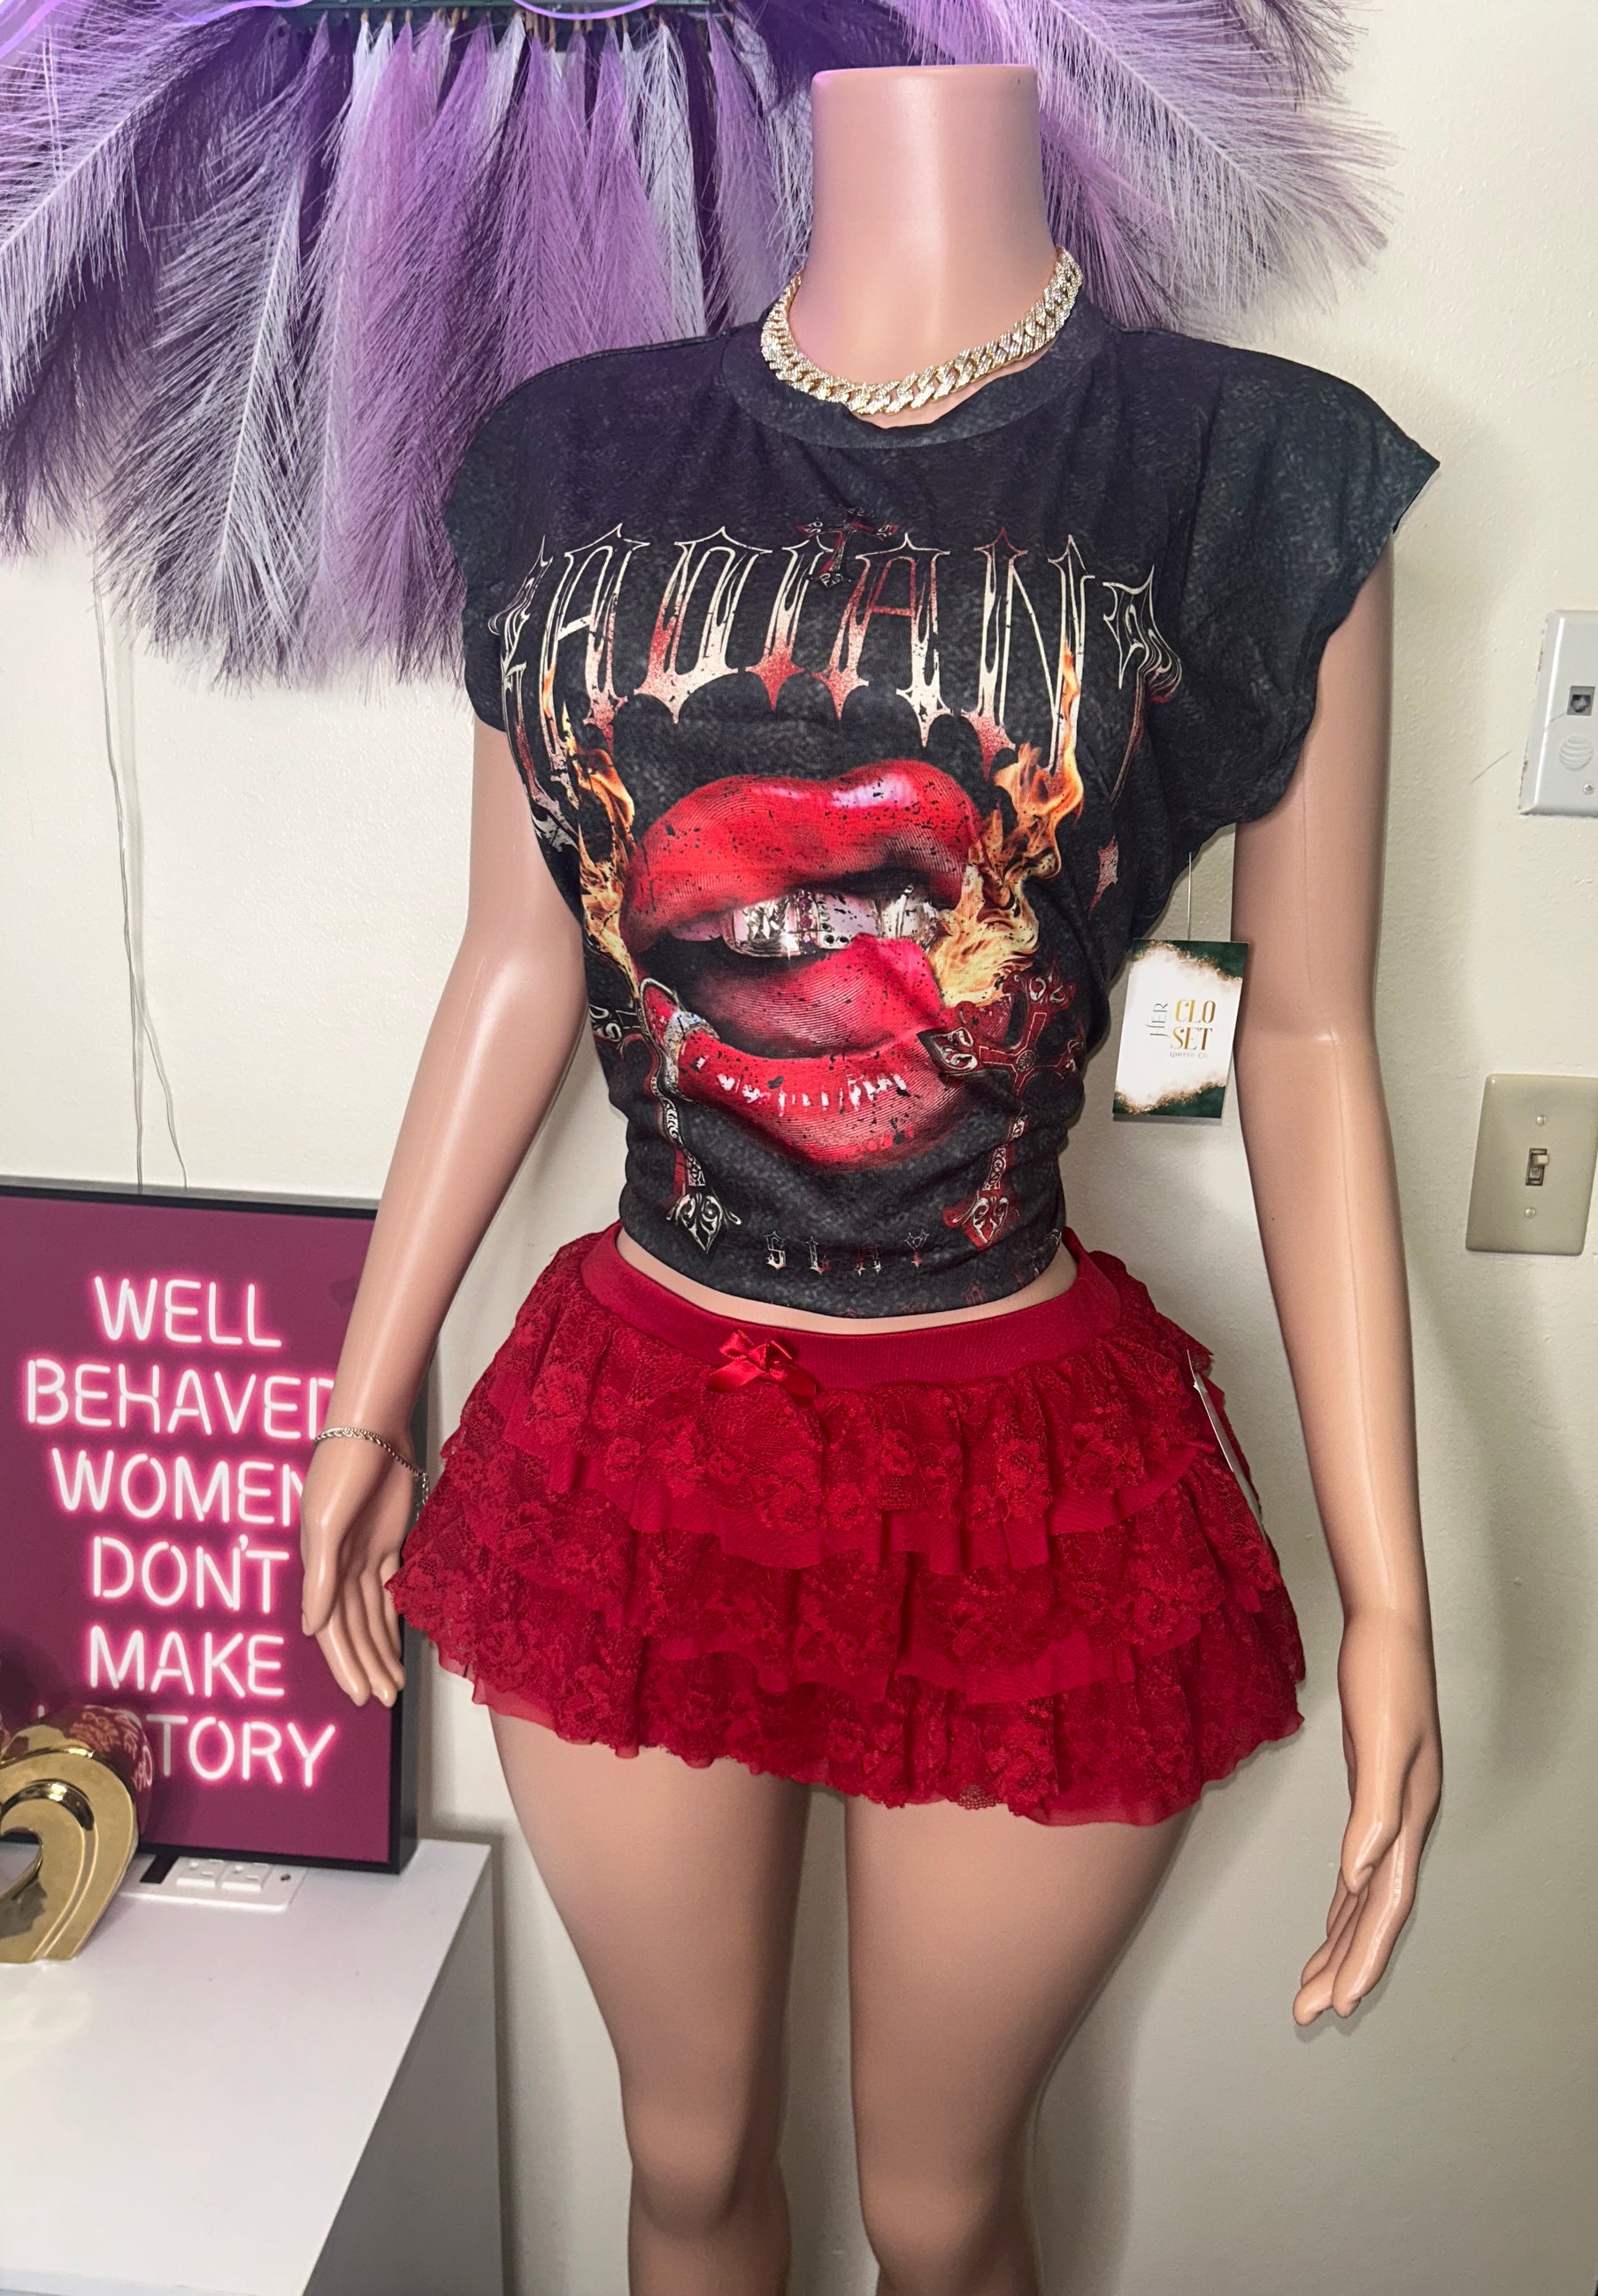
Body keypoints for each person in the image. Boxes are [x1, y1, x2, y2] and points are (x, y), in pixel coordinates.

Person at [300, 63, 1442, 2296]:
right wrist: (365, 1393)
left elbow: (1307, 1037)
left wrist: (1395, 1591)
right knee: (687, 2162)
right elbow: (516, 956)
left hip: (1018, 1467)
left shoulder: (1245, 461)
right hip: (641, 1441)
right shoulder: (567, 450)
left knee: (938, 2203)